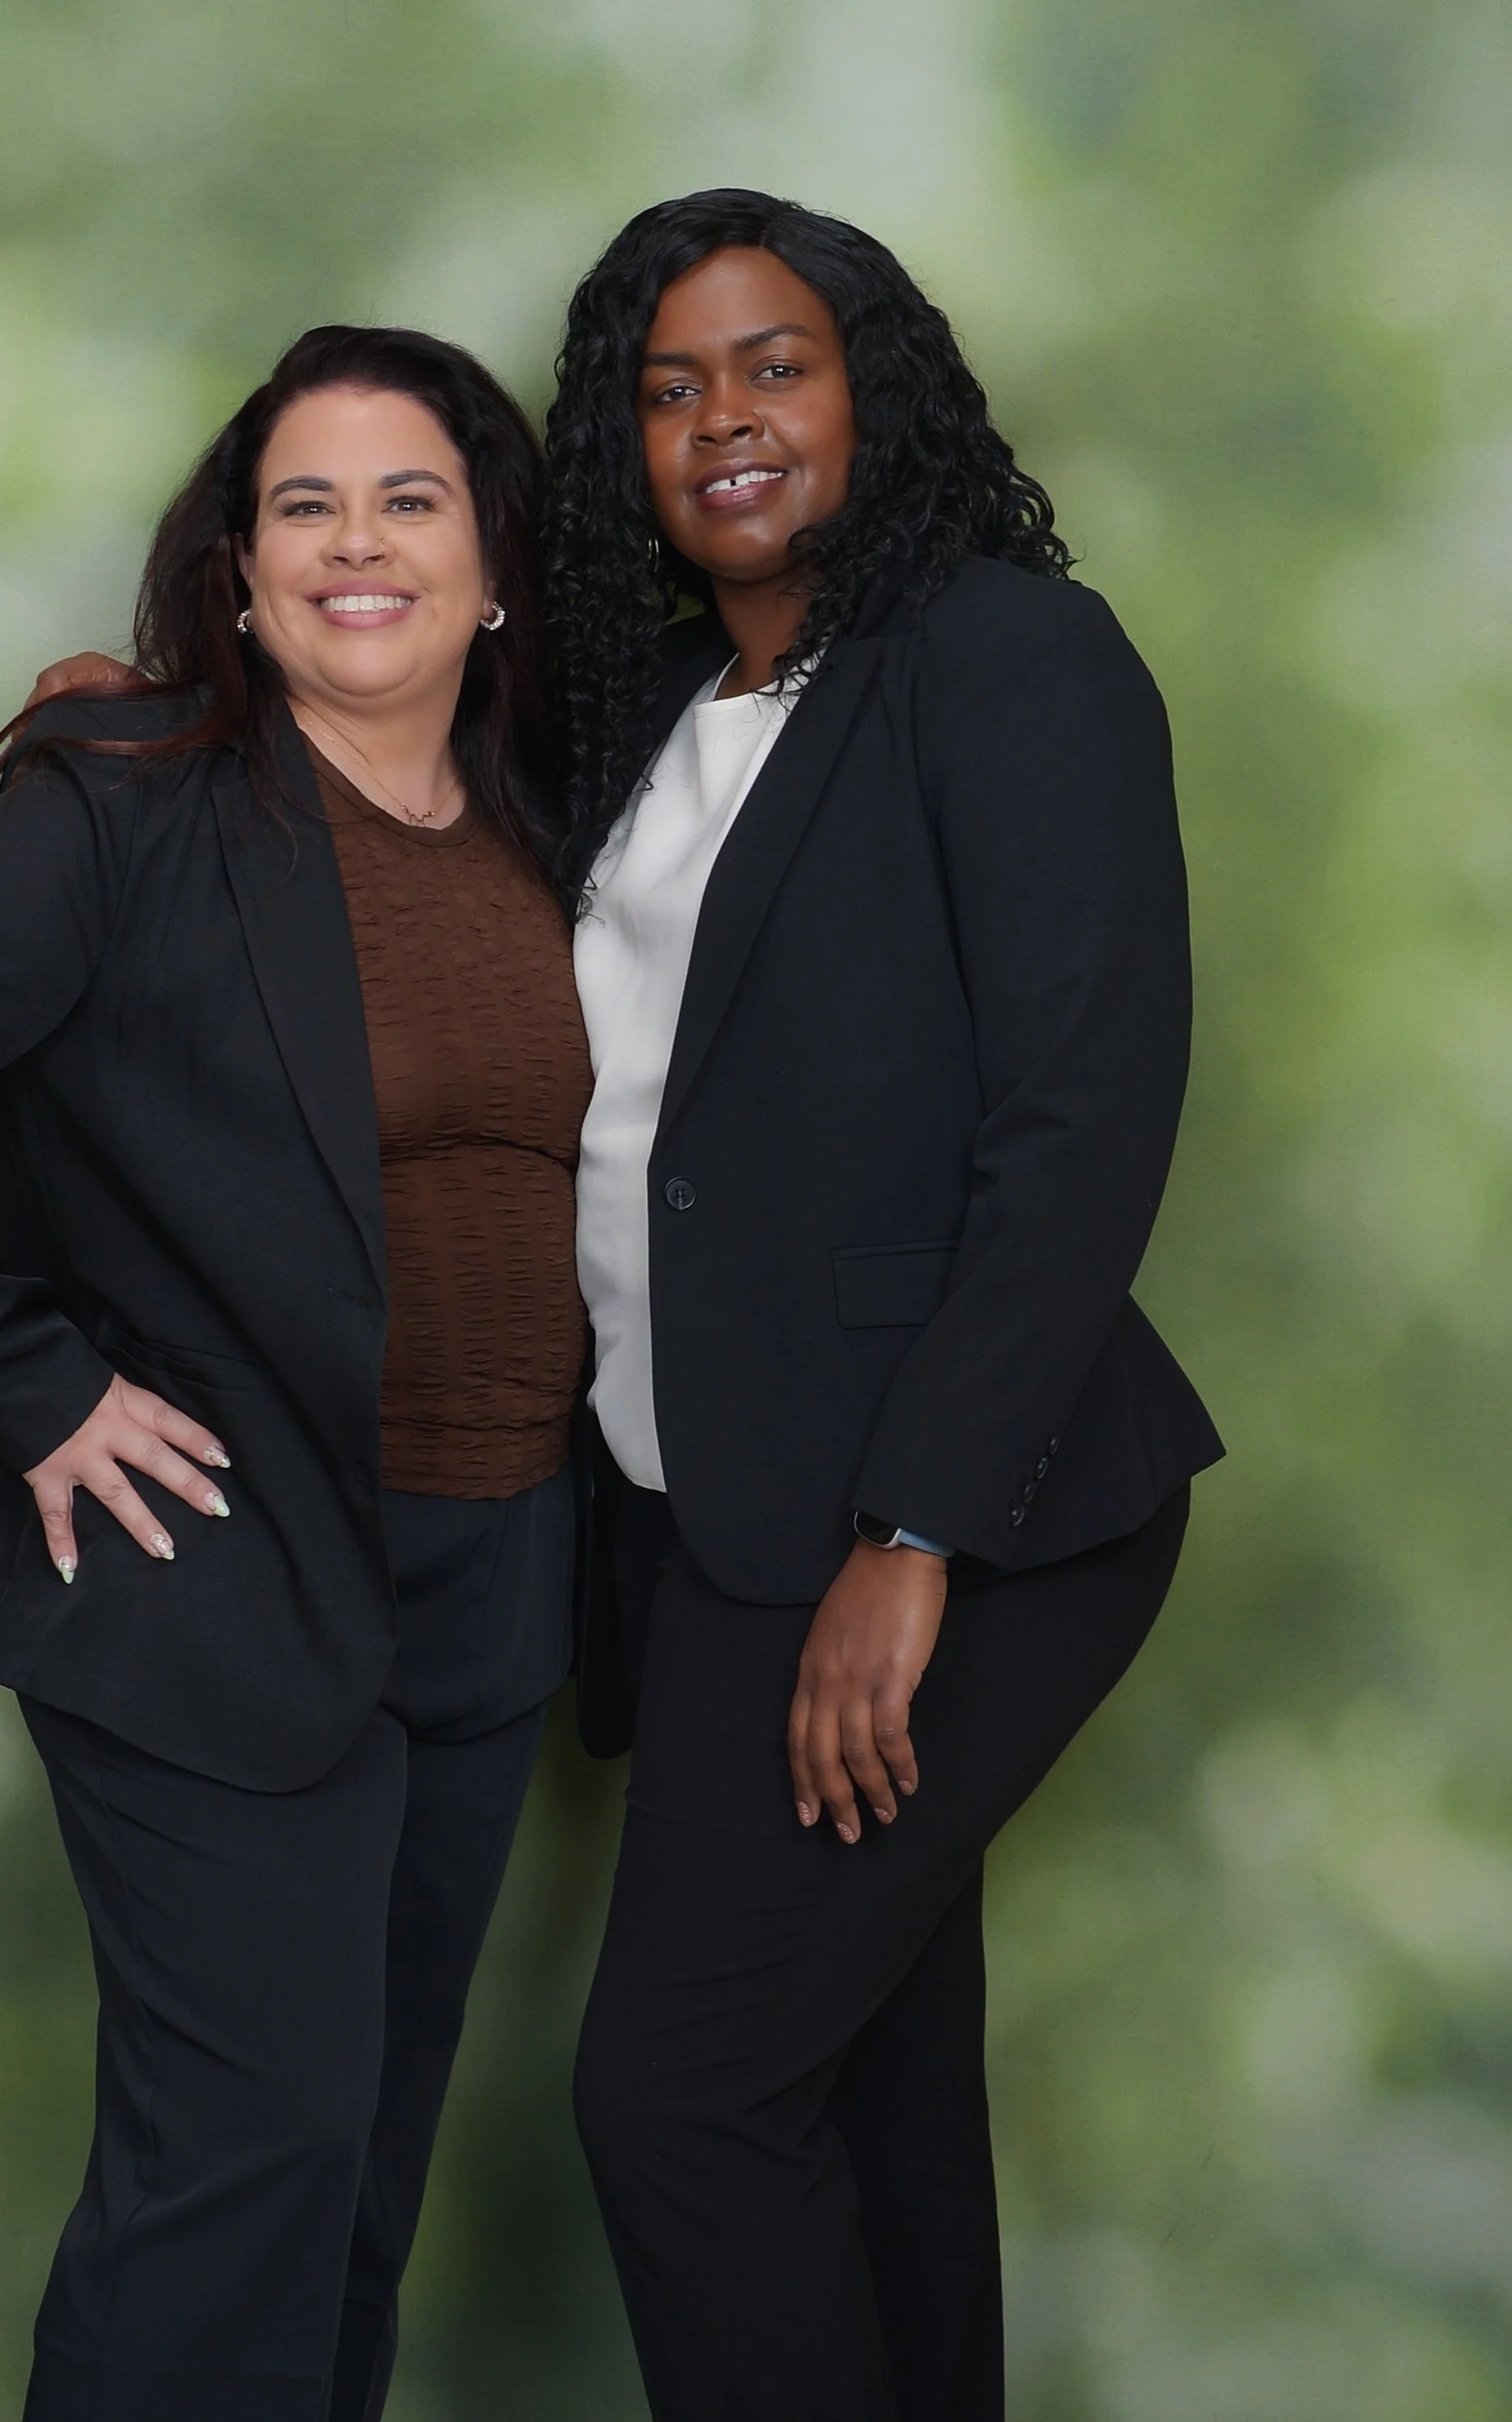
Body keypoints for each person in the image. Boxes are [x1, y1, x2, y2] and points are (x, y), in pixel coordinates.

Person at [0, 325, 591, 2422]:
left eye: (414, 499)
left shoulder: (542, 834)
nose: (356, 544)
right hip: (225, 1576)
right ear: (236, 570)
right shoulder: (131, 806)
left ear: (496, 571)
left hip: (492, 1580)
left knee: (363, 2193)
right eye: (304, 503)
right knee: (241, 2179)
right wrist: (28, 1387)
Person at [537, 190, 1225, 2422]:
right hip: (701, 1503)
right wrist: (142, 699)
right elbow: (390, 740)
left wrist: (913, 1539)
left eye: (773, 364)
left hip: (936, 1517)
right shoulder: (650, 709)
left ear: (872, 389)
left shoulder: (1007, 658)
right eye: (666, 388)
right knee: (864, 2098)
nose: (720, 419)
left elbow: (1083, 1117)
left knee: (681, 2101)